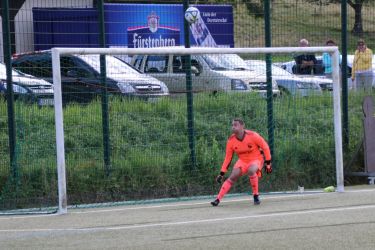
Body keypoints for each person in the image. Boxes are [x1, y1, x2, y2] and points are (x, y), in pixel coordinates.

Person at [211, 118, 272, 207]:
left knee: (251, 171)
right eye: (232, 125)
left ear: (242, 126)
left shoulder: (253, 135)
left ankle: (256, 195)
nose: (233, 127)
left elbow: (265, 147)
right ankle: (218, 199)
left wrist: (268, 164)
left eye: (235, 125)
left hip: (256, 159)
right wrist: (222, 173)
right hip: (243, 161)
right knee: (233, 176)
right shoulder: (231, 141)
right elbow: (228, 158)